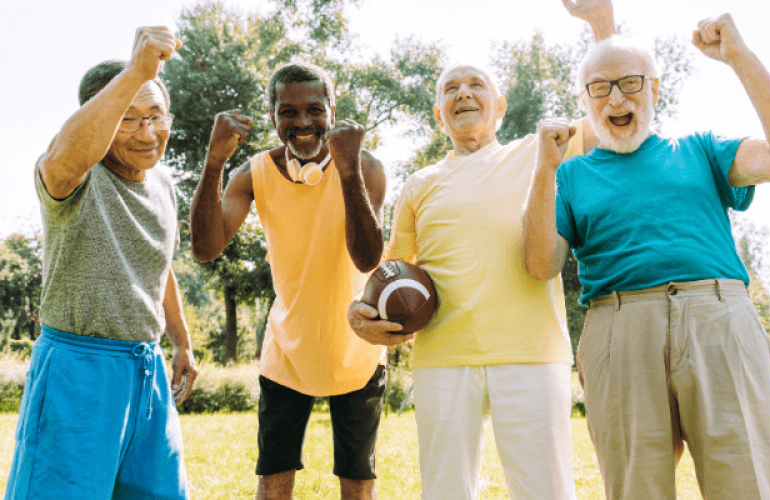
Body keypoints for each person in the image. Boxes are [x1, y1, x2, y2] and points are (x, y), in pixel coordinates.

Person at [523, 6, 770, 500]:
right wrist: (544, 170)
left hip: (718, 320)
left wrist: (739, 57)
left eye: (631, 82)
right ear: (585, 101)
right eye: (600, 87)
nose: (616, 97)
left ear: (655, 89)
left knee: (746, 481)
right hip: (619, 327)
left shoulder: (700, 149)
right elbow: (539, 265)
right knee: (636, 488)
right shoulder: (569, 176)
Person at [346, 4, 614, 499]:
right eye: (450, 87)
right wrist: (361, 315)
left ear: (499, 106)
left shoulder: (540, 152)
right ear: (438, 113)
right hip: (443, 358)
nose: (463, 92)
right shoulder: (419, 184)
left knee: (546, 492)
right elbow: (392, 276)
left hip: (531, 355)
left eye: (475, 85)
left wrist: (602, 25)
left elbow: (606, 114)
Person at [5, 27, 199, 500]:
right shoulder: (73, 176)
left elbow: (158, 263)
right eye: (127, 119)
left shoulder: (164, 187)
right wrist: (136, 72)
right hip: (77, 368)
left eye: (156, 115)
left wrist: (181, 343)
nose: (148, 133)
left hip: (146, 370)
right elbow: (65, 157)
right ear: (100, 116)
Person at [189, 61, 389, 500]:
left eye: (315, 110)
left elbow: (367, 257)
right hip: (286, 348)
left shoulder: (366, 166)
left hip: (357, 347)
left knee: (358, 483)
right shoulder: (254, 173)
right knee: (273, 480)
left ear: (333, 112)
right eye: (288, 112)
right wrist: (214, 161)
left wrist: (348, 170)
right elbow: (205, 248)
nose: (302, 123)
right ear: (273, 116)